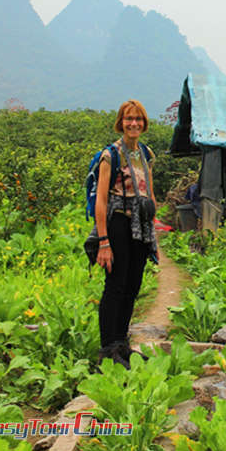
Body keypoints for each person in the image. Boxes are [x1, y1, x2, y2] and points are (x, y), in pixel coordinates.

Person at [95, 100, 158, 368]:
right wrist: (103, 241)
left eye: (138, 119)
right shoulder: (111, 155)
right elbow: (101, 200)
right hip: (119, 224)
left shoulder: (145, 153)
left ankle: (122, 345)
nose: (134, 124)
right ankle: (108, 349)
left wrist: (153, 230)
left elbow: (150, 192)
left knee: (133, 285)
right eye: (128, 119)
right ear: (121, 122)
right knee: (116, 284)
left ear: (144, 123)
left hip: (141, 226)